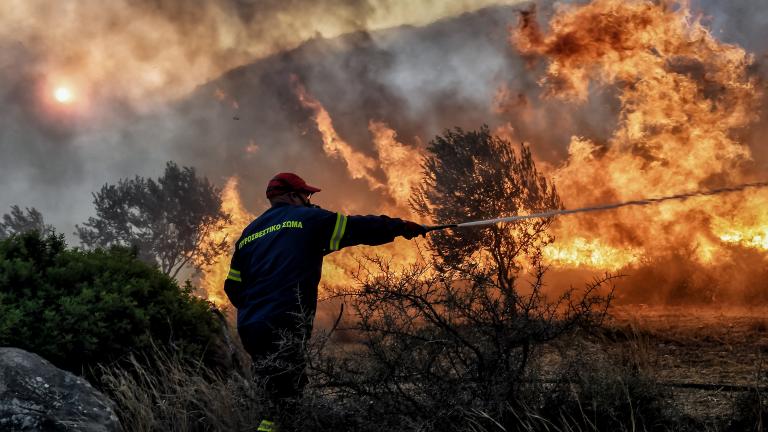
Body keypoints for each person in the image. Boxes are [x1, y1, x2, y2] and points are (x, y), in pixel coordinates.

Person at [223, 172, 427, 431]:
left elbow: (232, 287)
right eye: (306, 194)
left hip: (251, 326)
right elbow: (357, 227)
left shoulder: (250, 233)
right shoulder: (308, 219)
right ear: (292, 195)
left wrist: (257, 307)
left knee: (273, 391)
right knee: (289, 395)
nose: (309, 199)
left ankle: (270, 425)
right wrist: (401, 227)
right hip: (285, 319)